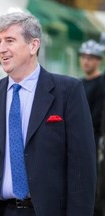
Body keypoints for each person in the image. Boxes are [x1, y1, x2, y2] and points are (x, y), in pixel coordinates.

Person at [0, 11, 96, 216]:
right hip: (0, 211)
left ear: (33, 45)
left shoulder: (68, 91)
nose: (2, 49)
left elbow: (82, 170)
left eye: (10, 40)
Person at [79, 39, 105, 216]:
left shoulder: (102, 83)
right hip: (81, 139)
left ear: (99, 60)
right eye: (83, 57)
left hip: (98, 140)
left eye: (91, 57)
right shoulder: (78, 84)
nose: (86, 61)